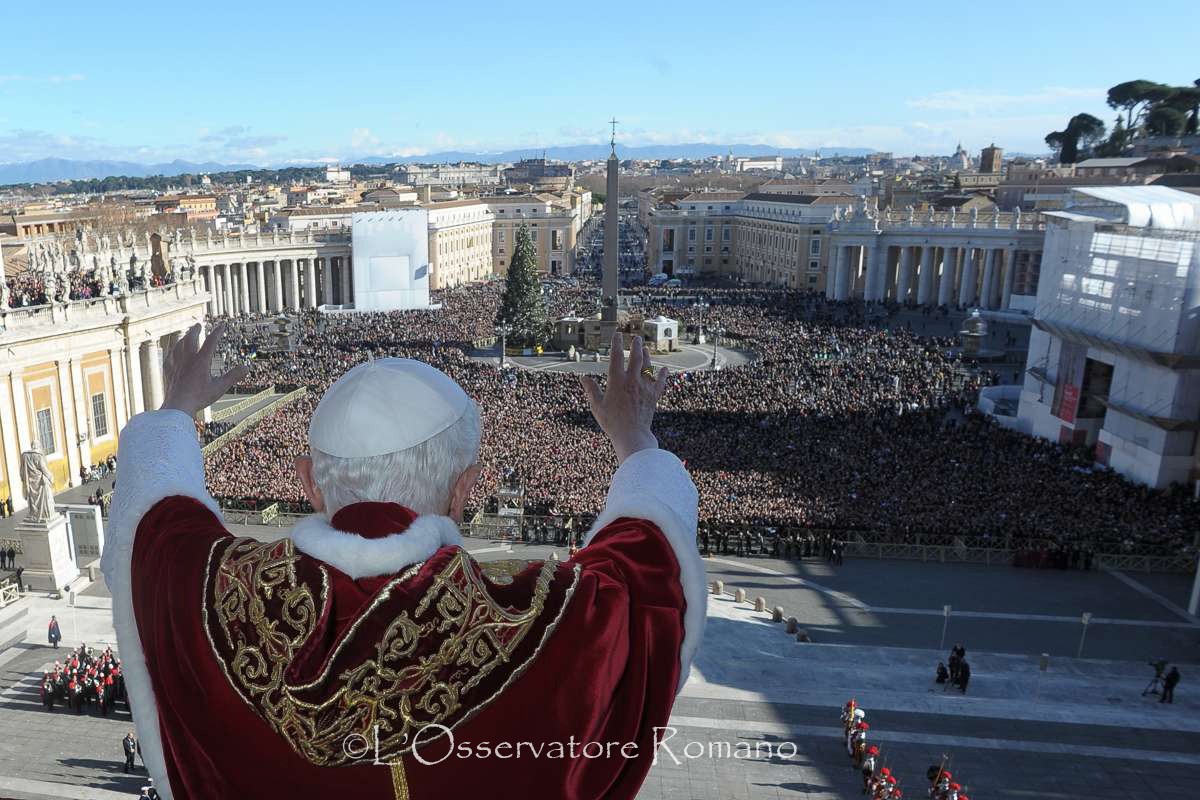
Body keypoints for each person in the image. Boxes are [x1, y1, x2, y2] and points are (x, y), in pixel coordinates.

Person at [101, 326, 704, 799]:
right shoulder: (548, 621)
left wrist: (177, 407)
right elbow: (648, 572)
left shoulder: (223, 598)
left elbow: (153, 522)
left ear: (309, 483)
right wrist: (636, 441)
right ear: (464, 489)